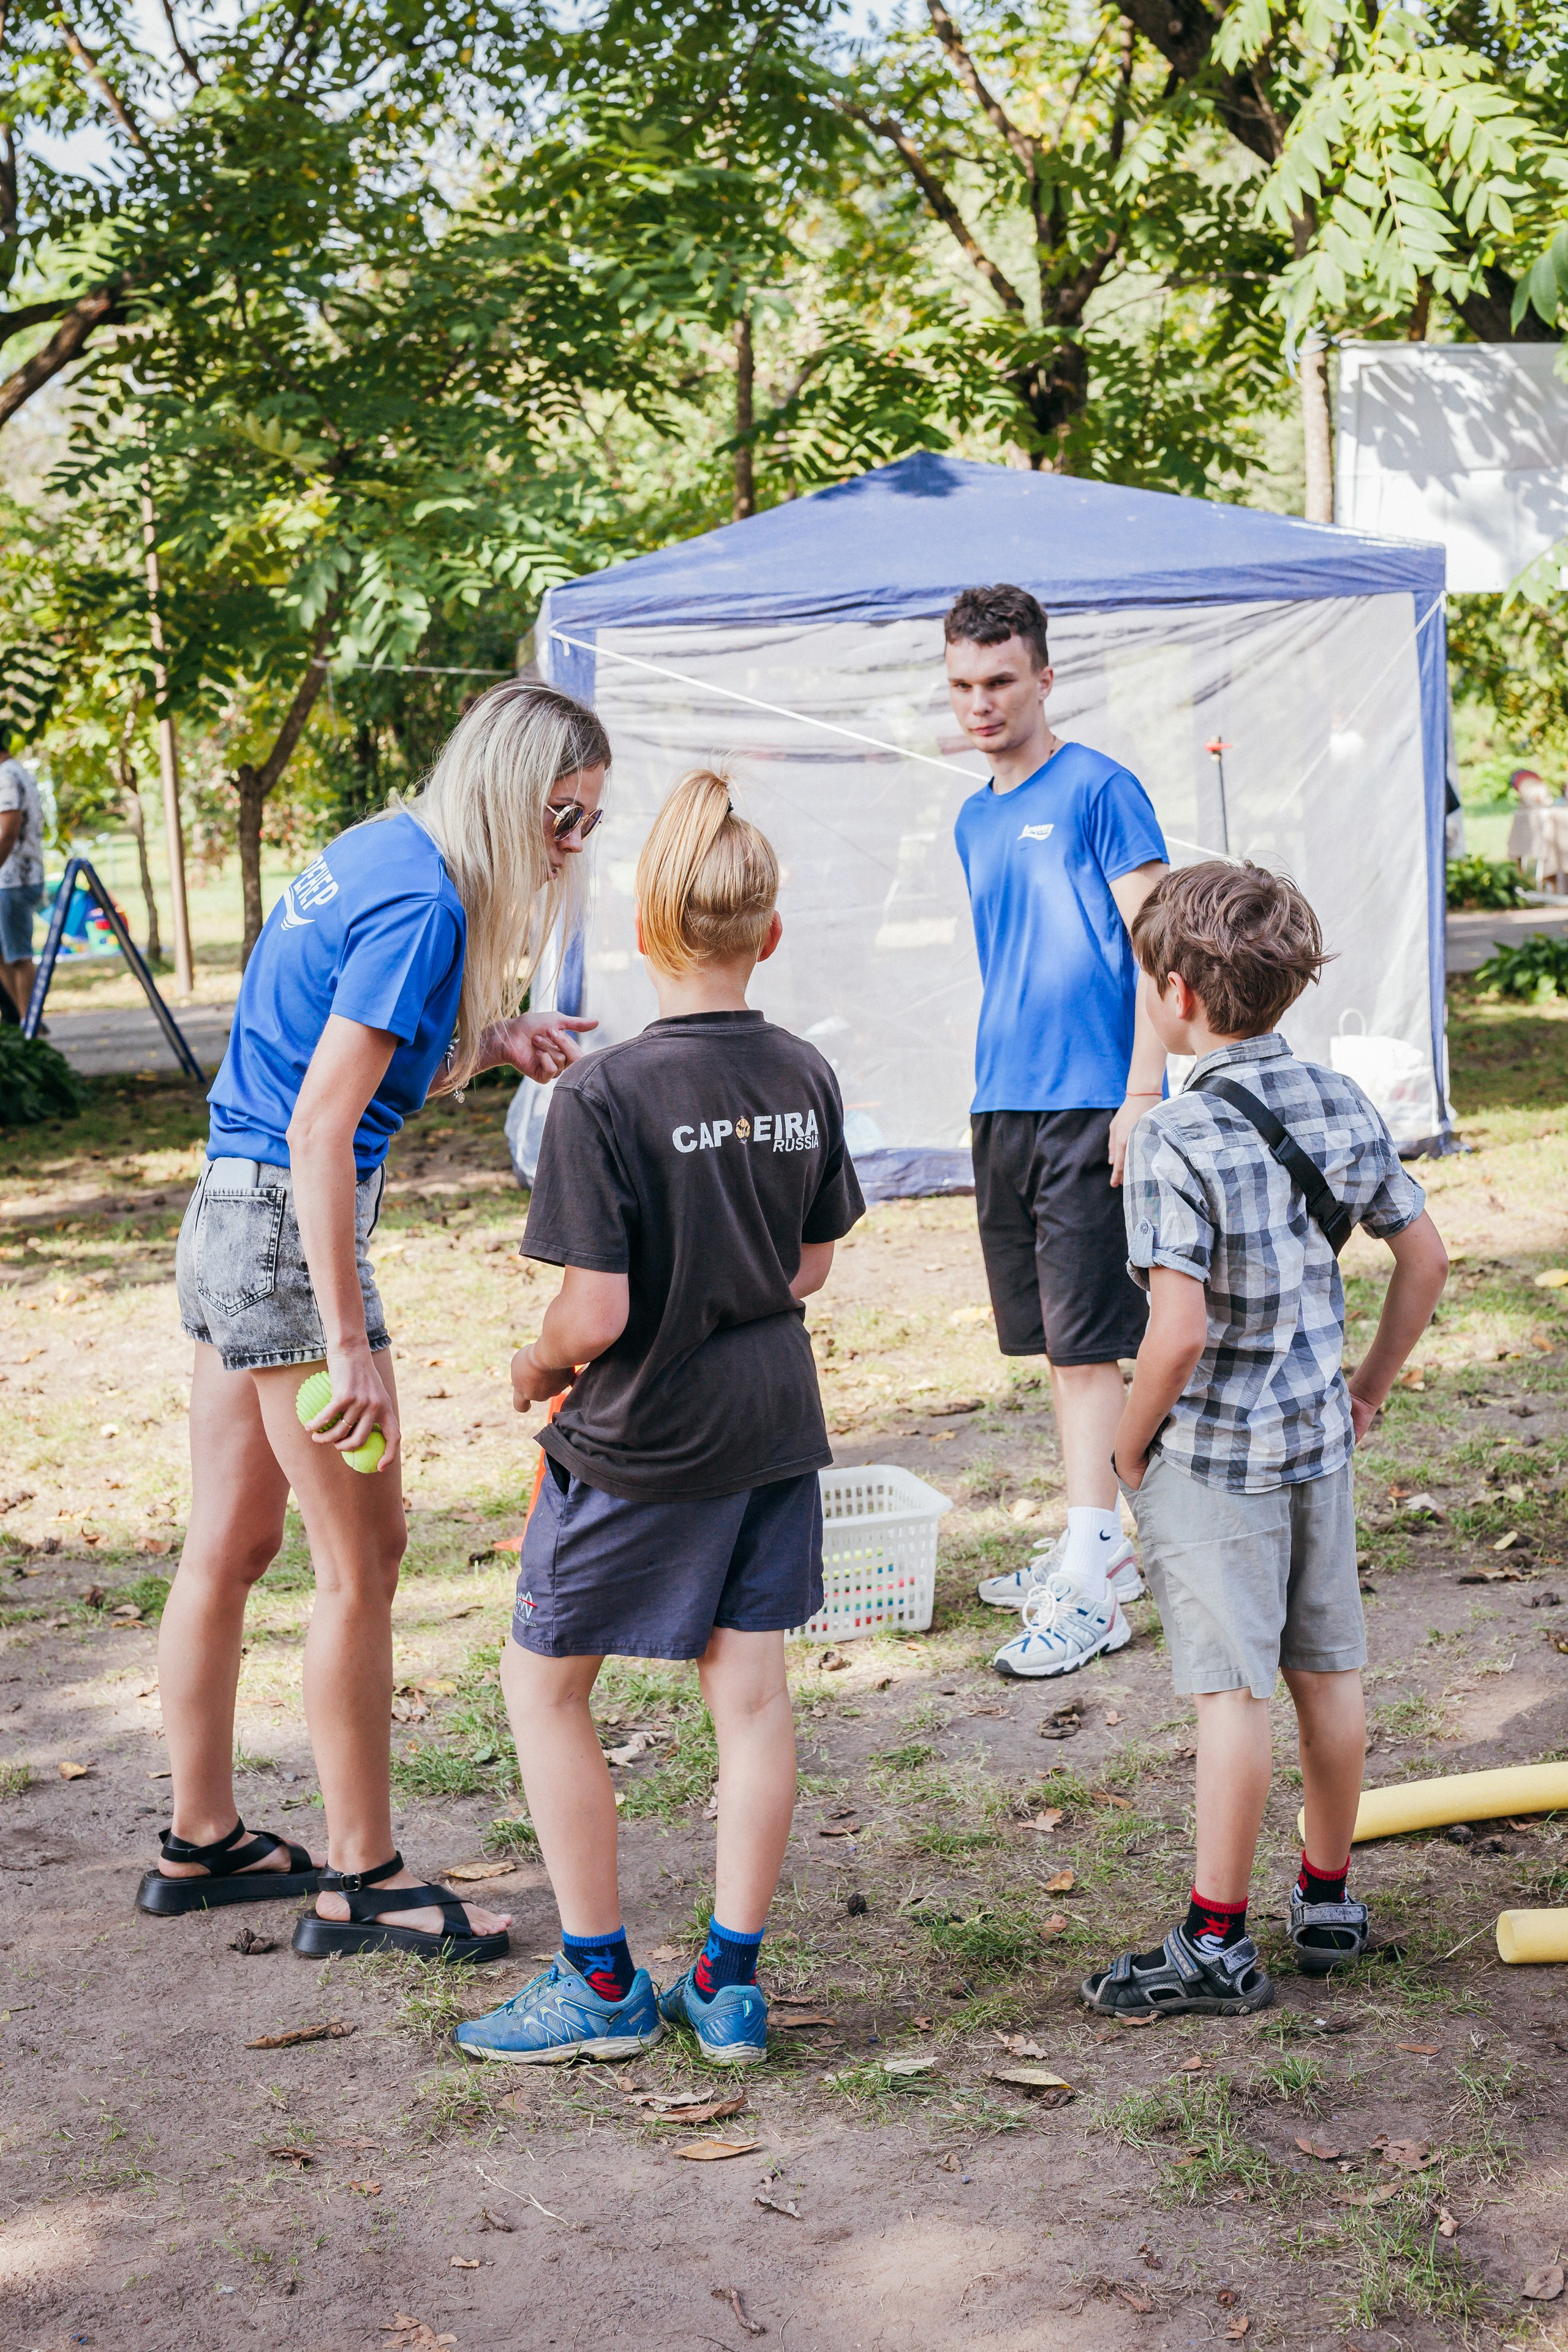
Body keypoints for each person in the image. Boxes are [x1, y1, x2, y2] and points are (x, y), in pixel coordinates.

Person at [140, 680, 608, 1960]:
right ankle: (366, 1880)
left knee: (228, 1547)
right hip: (287, 1236)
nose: (572, 844)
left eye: (587, 823)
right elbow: (320, 1126)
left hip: (226, 1218)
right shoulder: (428, 902)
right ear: (514, 792)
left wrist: (495, 1040)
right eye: (563, 817)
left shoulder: (381, 854)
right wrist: (347, 1340)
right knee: (366, 1556)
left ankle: (202, 1840)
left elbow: (333, 1060)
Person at [454, 769, 864, 2069]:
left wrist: (531, 1367)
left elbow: (592, 1313)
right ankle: (728, 1986)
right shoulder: (803, 1071)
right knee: (749, 1699)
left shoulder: (603, 1094)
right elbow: (808, 1268)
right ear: (770, 934)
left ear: (641, 933)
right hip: (771, 1422)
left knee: (541, 1685)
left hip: (642, 1434)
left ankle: (599, 1987)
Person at [1082, 861, 1447, 2017]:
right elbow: (1425, 1256)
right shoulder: (1344, 1101)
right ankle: (1329, 1898)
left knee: (1232, 1696)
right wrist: (1371, 1388)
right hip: (1317, 1448)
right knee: (1327, 1674)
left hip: (1216, 1463)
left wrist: (1128, 1450)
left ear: (1179, 993)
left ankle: (1215, 1940)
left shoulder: (1173, 1138)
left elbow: (1175, 1332)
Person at [944, 584, 1170, 1677]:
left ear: (1043, 677)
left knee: (1088, 1347)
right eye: (961, 686)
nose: (979, 704)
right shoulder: (972, 814)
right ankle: (1097, 1540)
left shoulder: (1101, 789)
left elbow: (1161, 951)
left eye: (999, 681)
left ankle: (1098, 1571)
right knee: (1055, 1346)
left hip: (1094, 1104)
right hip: (1004, 1106)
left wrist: (1141, 1097)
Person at [0, 728, 47, 1023]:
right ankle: (23, 1022)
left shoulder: (5, 777)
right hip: (19, 876)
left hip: (13, 879)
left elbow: (8, 832)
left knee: (18, 957)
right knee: (9, 955)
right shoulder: (17, 771)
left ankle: (30, 1027)